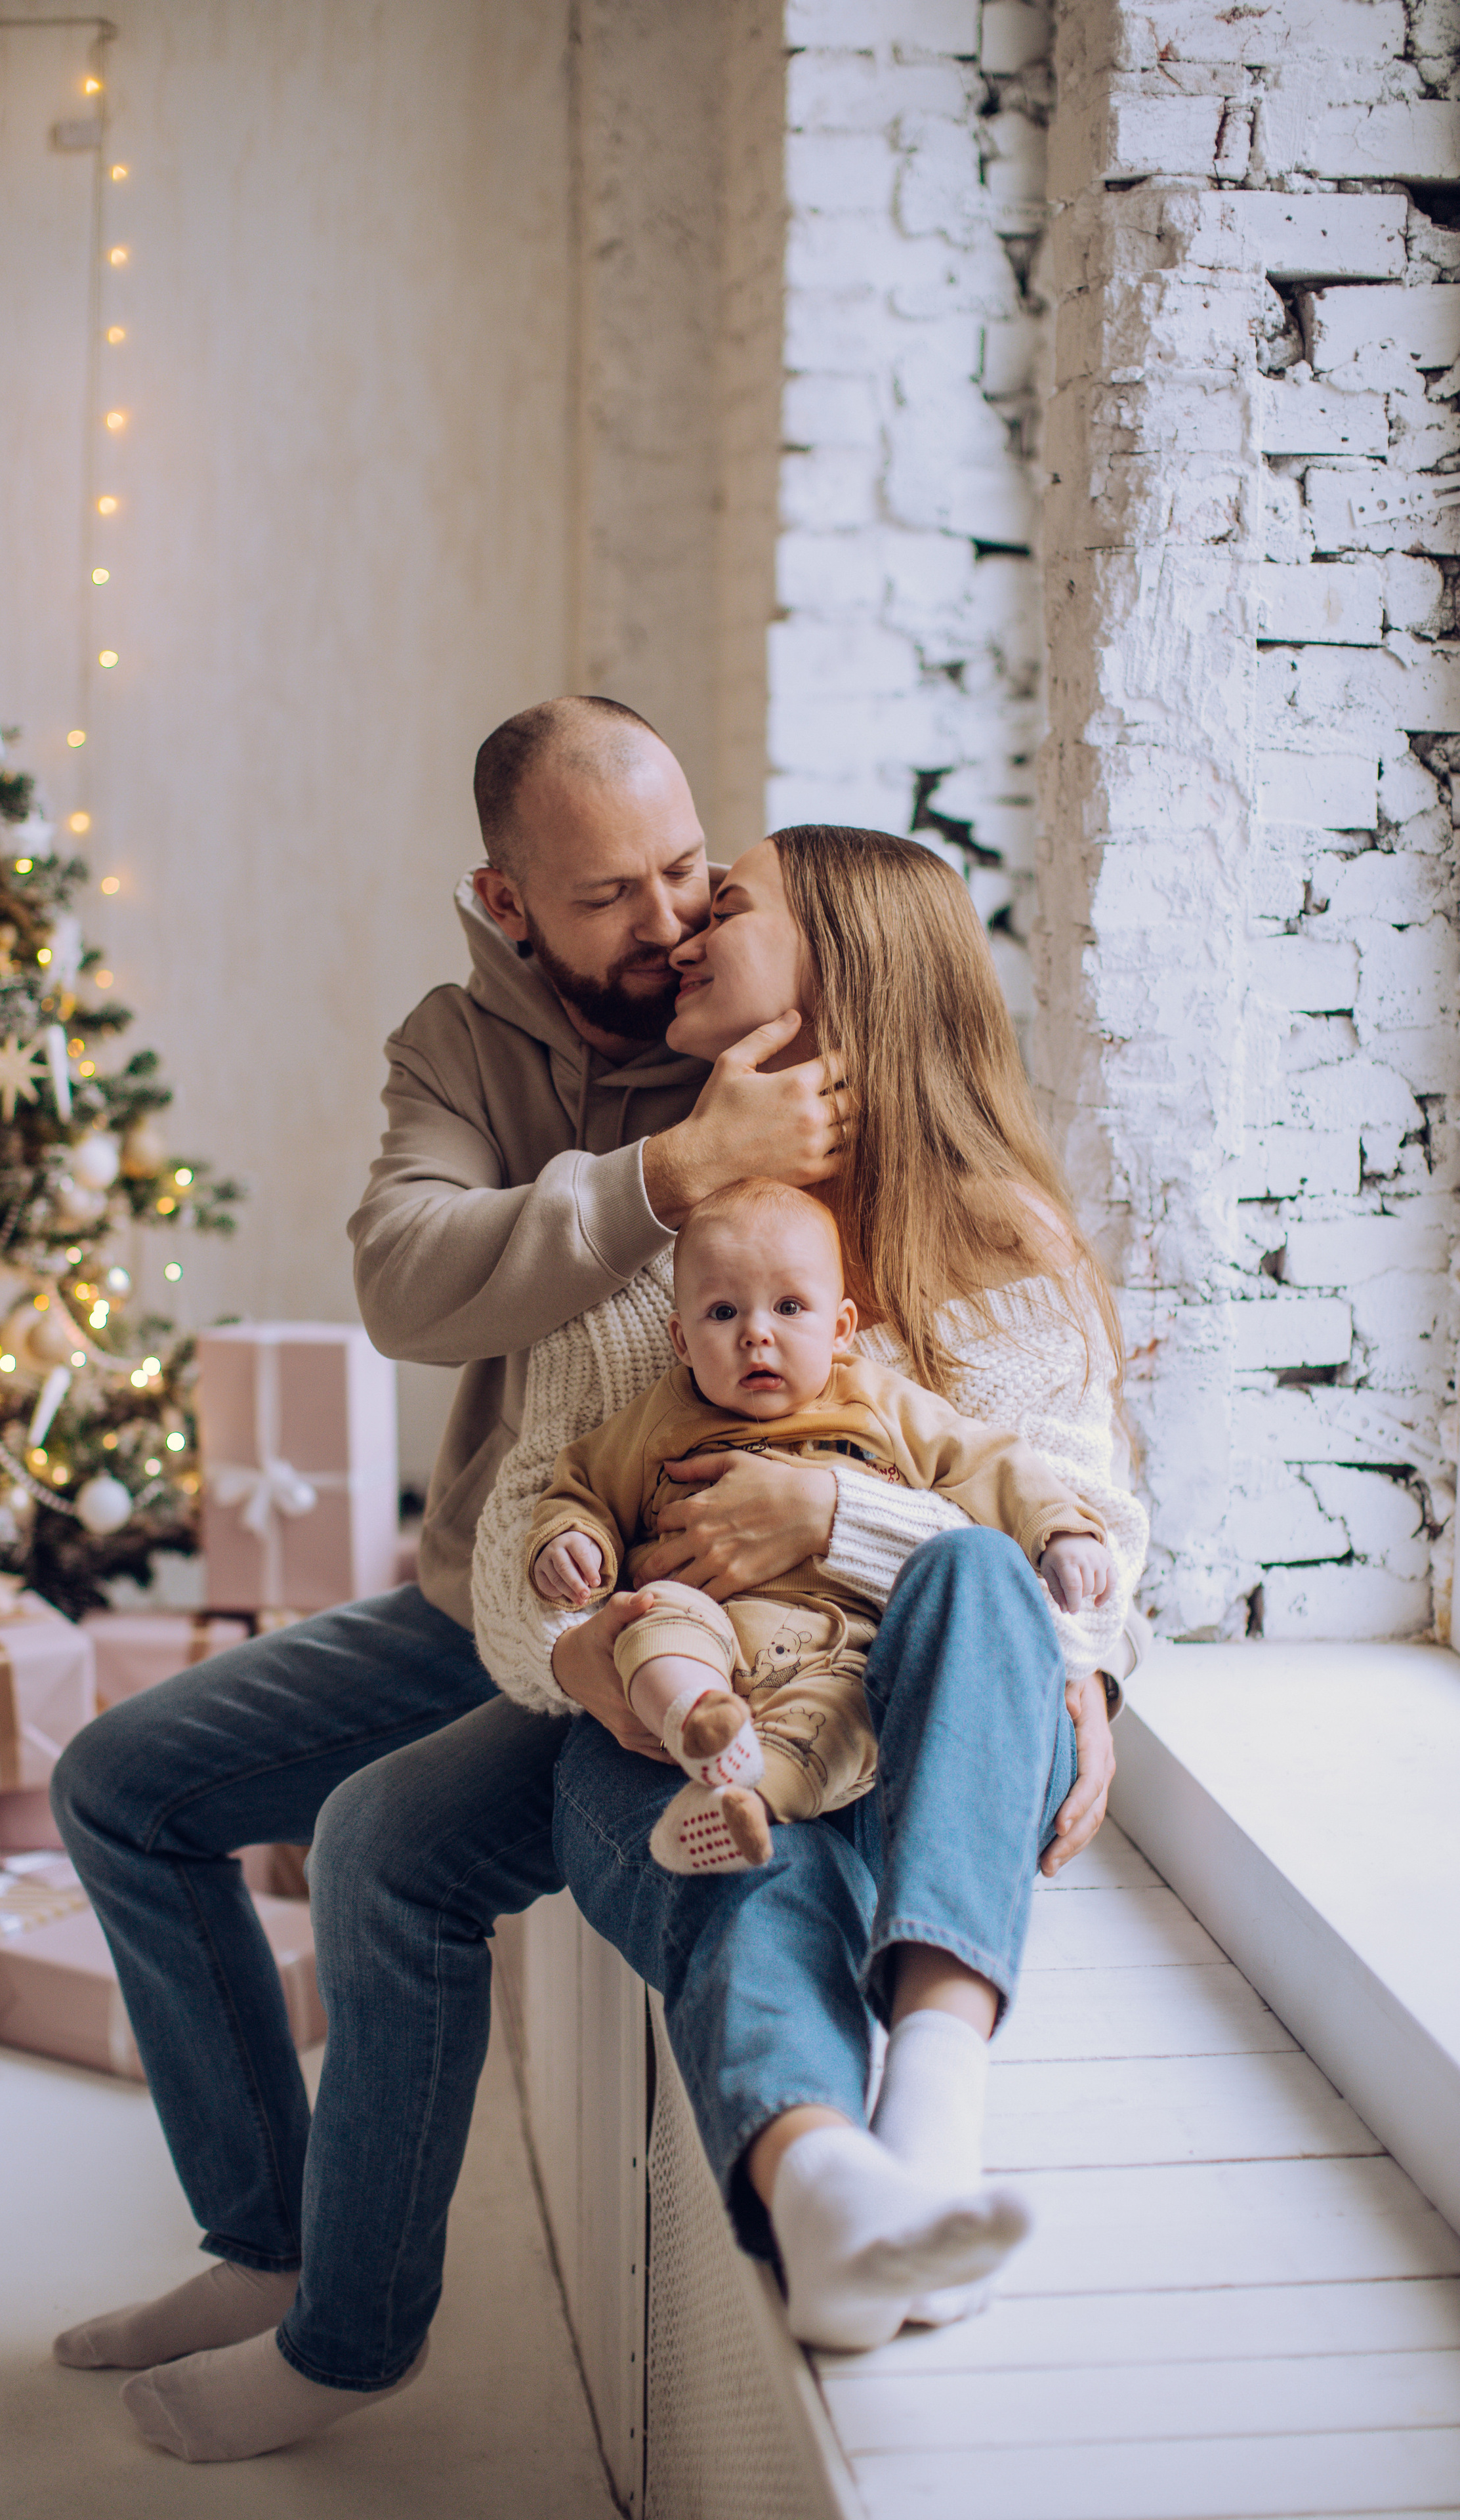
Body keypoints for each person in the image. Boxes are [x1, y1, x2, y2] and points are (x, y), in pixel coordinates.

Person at [47, 697, 938, 2463]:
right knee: (120, 1790)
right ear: (510, 900)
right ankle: (269, 2241)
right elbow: (404, 1281)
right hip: (484, 1591)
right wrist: (673, 1171)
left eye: (691, 870)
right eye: (614, 894)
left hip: (681, 1622)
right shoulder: (466, 1047)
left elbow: (961, 1349)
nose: (671, 919)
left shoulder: (770, 1031)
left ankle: (344, 2325)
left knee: (385, 1846)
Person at [472, 826, 1148, 2349]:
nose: (685, 930)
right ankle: (827, 2191)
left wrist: (828, 1513)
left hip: (921, 1717)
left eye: (728, 905)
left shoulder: (986, 1239)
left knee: (970, 1566)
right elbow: (535, 1549)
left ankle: (929, 2104)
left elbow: (1065, 1554)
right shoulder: (665, 1230)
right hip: (700, 1706)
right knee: (741, 1845)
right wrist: (623, 1647)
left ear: (834, 969)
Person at [525, 1175, 1114, 1873]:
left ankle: (748, 1802)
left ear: (839, 1330)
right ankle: (698, 1720)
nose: (755, 1334)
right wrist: (569, 1541)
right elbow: (581, 1485)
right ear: (680, 1341)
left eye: (788, 1307)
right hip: (709, 1623)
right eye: (721, 1313)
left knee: (847, 1721)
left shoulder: (878, 1400)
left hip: (845, 1647)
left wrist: (1060, 1530)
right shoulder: (660, 1418)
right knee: (653, 1624)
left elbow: (987, 1462)